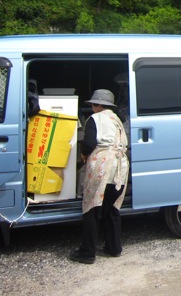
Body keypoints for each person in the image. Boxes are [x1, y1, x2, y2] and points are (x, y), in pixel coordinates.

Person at [69, 89, 129, 264]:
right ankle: (114, 247)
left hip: (102, 166)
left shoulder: (95, 119)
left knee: (92, 208)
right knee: (112, 209)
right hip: (120, 167)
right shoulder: (118, 120)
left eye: (93, 105)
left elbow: (89, 143)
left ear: (99, 105)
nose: (92, 108)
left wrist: (83, 155)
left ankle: (87, 252)